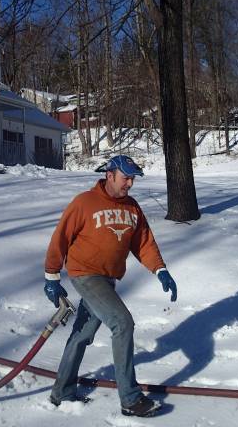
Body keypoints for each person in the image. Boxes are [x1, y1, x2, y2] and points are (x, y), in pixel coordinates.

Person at [44, 155, 177, 417]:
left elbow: (143, 243)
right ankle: (130, 398)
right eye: (125, 177)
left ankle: (62, 392)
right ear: (110, 175)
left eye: (132, 179)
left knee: (82, 334)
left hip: (108, 278)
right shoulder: (84, 203)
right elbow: (61, 237)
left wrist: (160, 269)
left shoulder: (132, 208)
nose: (129, 183)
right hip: (85, 274)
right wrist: (52, 276)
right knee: (122, 322)